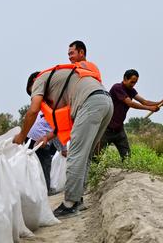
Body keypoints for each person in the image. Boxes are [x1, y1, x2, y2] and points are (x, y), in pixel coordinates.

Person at [14, 63, 113, 218]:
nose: (43, 101)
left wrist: (21, 136)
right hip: (105, 102)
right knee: (85, 155)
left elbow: (33, 110)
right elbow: (63, 125)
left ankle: (70, 204)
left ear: (34, 82)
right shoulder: (64, 84)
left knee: (75, 154)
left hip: (91, 103)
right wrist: (47, 136)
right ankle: (78, 199)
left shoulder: (40, 79)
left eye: (33, 93)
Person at [100, 69, 163, 159]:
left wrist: (160, 103)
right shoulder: (117, 88)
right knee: (96, 157)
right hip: (107, 129)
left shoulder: (131, 91)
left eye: (135, 83)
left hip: (119, 130)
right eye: (132, 82)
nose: (133, 85)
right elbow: (130, 103)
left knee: (127, 157)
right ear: (125, 79)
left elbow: (144, 101)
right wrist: (149, 108)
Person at [25, 72, 65, 193]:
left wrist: (62, 148)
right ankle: (39, 190)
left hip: (38, 140)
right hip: (33, 139)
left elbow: (57, 128)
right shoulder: (40, 104)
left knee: (41, 165)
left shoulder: (53, 104)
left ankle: (43, 190)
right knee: (37, 166)